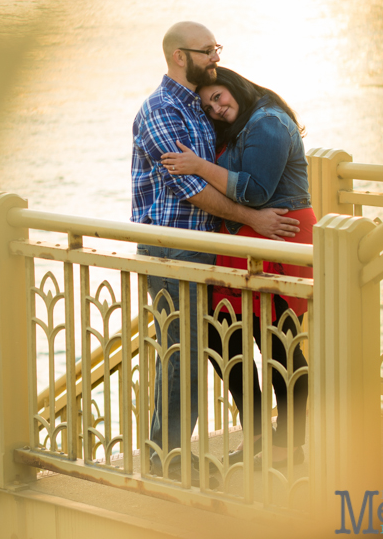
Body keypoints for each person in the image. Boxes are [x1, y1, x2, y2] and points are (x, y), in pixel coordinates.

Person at [132, 25, 301, 485]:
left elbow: (230, 170)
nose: (215, 56)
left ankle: (274, 441)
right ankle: (165, 459)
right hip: (176, 250)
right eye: (207, 51)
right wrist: (253, 218)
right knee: (183, 356)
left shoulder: (198, 108)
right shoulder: (161, 112)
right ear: (178, 56)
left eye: (216, 50)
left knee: (258, 343)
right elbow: (192, 190)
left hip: (216, 250)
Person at [160, 66, 314, 469]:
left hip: (280, 235)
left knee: (278, 343)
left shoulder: (269, 123)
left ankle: (286, 444)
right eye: (208, 104)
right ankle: (260, 433)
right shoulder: (245, 122)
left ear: (236, 87)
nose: (216, 107)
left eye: (219, 96)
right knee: (224, 339)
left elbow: (256, 190)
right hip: (244, 238)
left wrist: (197, 166)